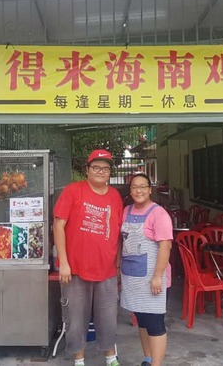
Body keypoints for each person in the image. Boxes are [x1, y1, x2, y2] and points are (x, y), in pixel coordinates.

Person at [53, 149, 124, 366]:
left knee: (108, 318)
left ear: (110, 172)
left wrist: (118, 262)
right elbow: (58, 225)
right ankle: (79, 360)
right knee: (75, 319)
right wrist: (63, 263)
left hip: (107, 270)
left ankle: (111, 358)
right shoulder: (73, 191)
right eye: (96, 167)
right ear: (87, 170)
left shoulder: (115, 196)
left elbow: (117, 231)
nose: (101, 171)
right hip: (75, 269)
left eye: (105, 168)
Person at [120, 173, 173, 366]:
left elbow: (165, 246)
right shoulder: (126, 211)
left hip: (153, 278)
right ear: (130, 190)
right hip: (132, 277)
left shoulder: (159, 214)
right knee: (142, 321)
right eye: (135, 187)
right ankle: (147, 359)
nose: (139, 191)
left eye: (143, 186)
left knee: (155, 324)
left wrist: (158, 276)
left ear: (150, 189)